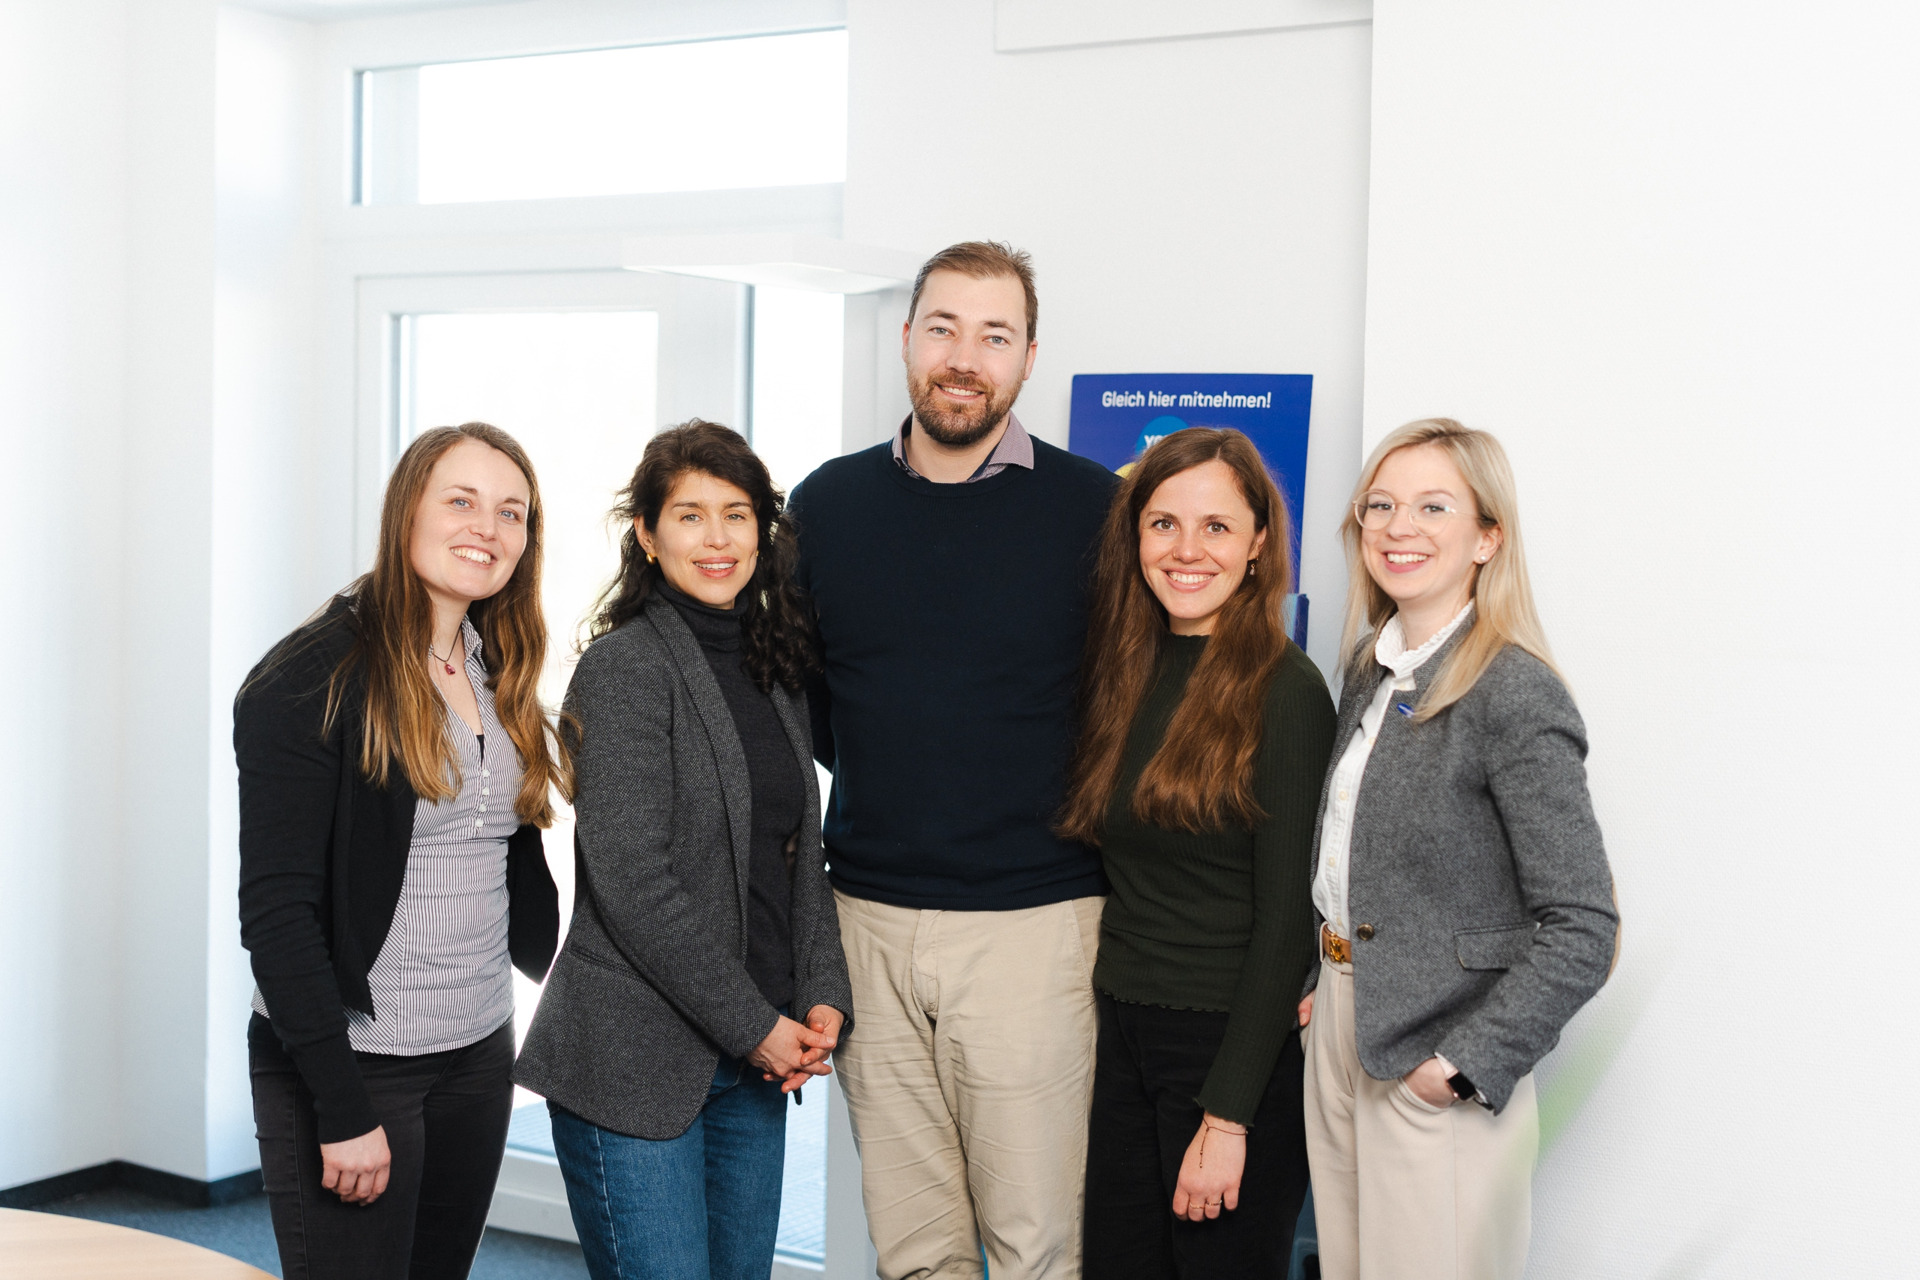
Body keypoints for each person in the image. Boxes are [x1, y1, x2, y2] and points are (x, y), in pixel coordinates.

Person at [786, 241, 1119, 1280]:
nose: (964, 357)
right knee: (916, 1249)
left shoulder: (1094, 509)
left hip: (1035, 929)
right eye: (944, 327)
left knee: (1037, 1247)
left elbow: (1127, 711)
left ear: (1028, 360)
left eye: (994, 335)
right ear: (907, 338)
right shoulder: (825, 506)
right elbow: (815, 713)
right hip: (868, 923)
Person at [514, 420, 853, 1280]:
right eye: (691, 515)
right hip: (635, 1059)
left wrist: (821, 994)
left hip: (755, 1058)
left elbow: (799, 852)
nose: (717, 538)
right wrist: (758, 1029)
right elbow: (634, 882)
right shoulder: (625, 669)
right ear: (648, 535)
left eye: (736, 515)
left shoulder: (774, 669)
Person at [236, 423, 563, 1280]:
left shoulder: (497, 661)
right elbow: (277, 917)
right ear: (405, 509)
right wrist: (339, 1109)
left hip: (478, 1050)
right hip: (355, 1065)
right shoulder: (311, 677)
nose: (486, 529)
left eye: (511, 513)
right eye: (461, 501)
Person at [1296, 418, 1619, 1280]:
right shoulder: (1371, 665)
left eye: (1433, 507)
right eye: (1382, 506)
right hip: (1340, 1024)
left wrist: (1462, 1066)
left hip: (1432, 1054)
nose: (1400, 528)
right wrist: (1318, 986)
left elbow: (1585, 925)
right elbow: (1346, 856)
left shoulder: (1513, 689)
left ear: (1487, 536)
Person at [1059, 428, 1334, 1277]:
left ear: (1258, 544)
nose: (1186, 550)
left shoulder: (1286, 690)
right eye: (1163, 523)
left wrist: (1227, 1117)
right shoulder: (1122, 672)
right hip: (1124, 1033)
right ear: (1134, 535)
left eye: (1216, 527)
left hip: (1227, 1051)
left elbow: (1289, 922)